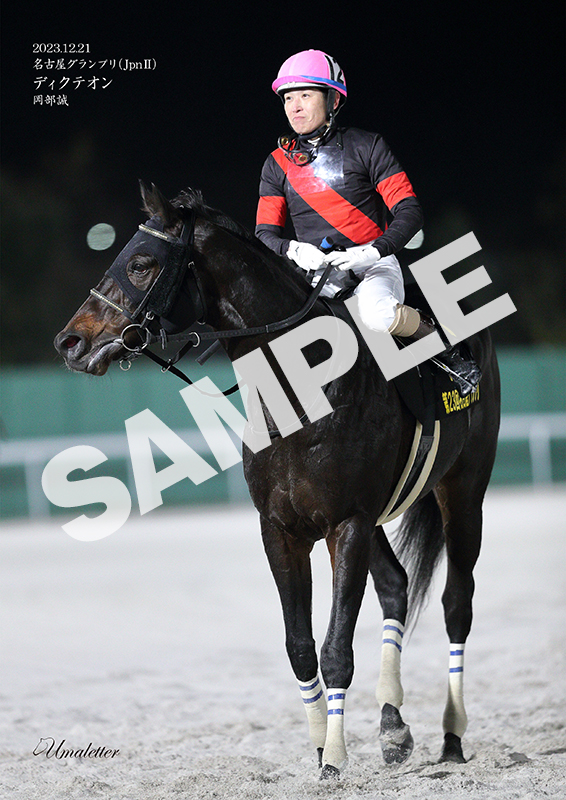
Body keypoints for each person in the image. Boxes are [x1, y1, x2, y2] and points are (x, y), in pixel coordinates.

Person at [255, 49, 480, 396]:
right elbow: (264, 234)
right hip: (314, 275)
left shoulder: (367, 146)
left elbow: (409, 211)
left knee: (377, 316)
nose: (294, 107)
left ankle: (448, 352)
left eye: (305, 95)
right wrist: (293, 250)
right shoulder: (275, 164)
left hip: (373, 266)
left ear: (333, 100)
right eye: (287, 98)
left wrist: (374, 251)